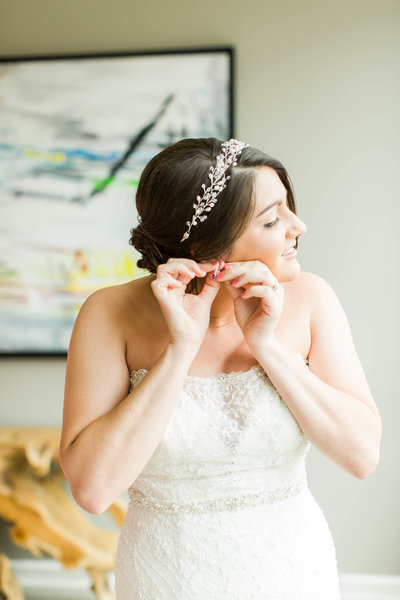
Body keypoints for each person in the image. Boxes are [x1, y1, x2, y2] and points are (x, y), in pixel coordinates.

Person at [60, 137, 382, 599]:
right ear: (209, 247)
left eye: (288, 209)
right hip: (165, 578)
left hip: (293, 573)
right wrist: (179, 351)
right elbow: (93, 490)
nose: (299, 226)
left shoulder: (311, 299)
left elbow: (361, 456)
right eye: (272, 219)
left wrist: (267, 347)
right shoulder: (108, 314)